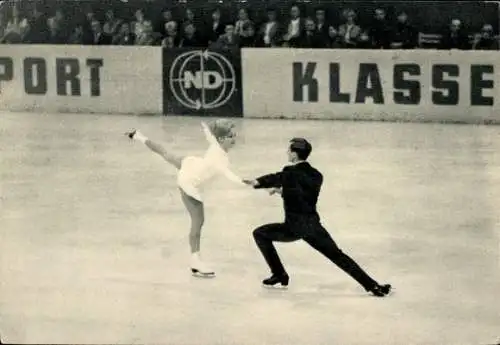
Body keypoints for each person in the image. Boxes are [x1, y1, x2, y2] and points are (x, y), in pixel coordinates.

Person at [244, 138, 392, 297]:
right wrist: (281, 191)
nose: (287, 153)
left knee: (259, 233)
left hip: (293, 227)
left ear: (294, 155)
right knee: (338, 255)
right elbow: (301, 195)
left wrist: (256, 182)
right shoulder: (316, 175)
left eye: (289, 151)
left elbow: (276, 177)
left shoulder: (290, 172)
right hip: (313, 226)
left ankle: (279, 274)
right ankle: (373, 286)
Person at [126, 120, 245, 277]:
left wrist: (206, 128)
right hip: (189, 183)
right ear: (222, 139)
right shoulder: (221, 159)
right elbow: (230, 175)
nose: (234, 138)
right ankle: (195, 261)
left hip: (190, 165)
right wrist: (250, 183)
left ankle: (138, 136)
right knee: (198, 221)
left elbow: (211, 137)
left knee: (165, 153)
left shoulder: (216, 145)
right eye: (231, 136)